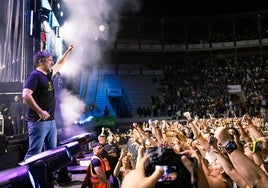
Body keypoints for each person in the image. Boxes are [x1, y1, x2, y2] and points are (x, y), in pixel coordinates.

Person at [22, 44, 74, 160]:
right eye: (49, 60)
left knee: (52, 152)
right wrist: (40, 112)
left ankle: (51, 177)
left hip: (50, 121)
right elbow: (26, 95)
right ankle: (27, 177)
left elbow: (60, 63)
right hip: (38, 121)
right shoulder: (35, 75)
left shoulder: (48, 74)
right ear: (41, 62)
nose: (51, 62)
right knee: (34, 152)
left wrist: (69, 50)